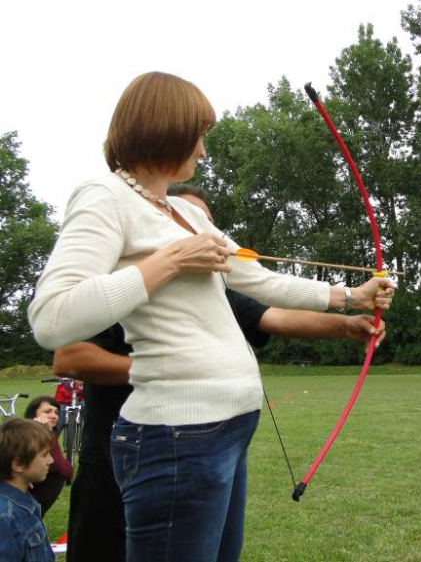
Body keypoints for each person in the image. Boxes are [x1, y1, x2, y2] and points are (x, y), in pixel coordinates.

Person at [28, 71, 396, 562]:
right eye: (199, 135)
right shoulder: (104, 195)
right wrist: (170, 262)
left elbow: (259, 280)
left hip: (230, 423)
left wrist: (352, 296)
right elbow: (51, 317)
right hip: (176, 433)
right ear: (168, 129)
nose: (203, 151)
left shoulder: (186, 211)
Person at [55, 186, 387, 562]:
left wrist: (347, 324)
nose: (208, 233)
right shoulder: (125, 278)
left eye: (209, 224)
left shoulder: (214, 286)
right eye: (193, 223)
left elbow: (273, 314)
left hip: (204, 439)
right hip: (123, 448)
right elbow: (68, 357)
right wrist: (169, 370)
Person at [0, 418, 56, 562]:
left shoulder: (22, 496)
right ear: (18, 465)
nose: (51, 460)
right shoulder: (6, 518)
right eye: (45, 455)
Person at [23, 397, 73, 516]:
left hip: (37, 485)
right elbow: (60, 467)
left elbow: (64, 470)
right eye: (47, 411)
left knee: (57, 475)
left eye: (56, 412)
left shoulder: (50, 432)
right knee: (57, 475)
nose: (54, 416)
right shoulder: (23, 434)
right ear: (33, 414)